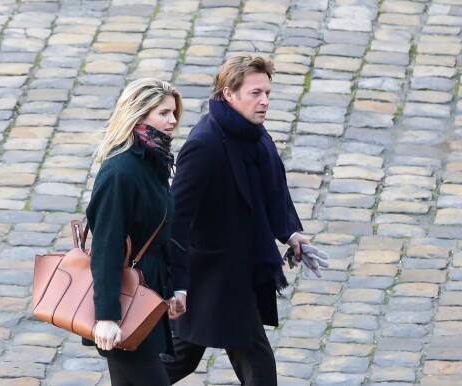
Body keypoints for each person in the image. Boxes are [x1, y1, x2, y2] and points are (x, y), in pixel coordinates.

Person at [163, 54, 310, 385]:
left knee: (182, 360)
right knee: (250, 367)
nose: (264, 101)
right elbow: (176, 217)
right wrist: (177, 283)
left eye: (268, 93)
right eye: (255, 93)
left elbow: (269, 190)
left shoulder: (252, 134)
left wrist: (290, 234)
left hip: (237, 274)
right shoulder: (206, 144)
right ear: (229, 94)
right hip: (209, 279)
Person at [85, 78, 186, 386]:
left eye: (173, 113)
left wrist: (174, 290)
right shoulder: (121, 172)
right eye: (163, 113)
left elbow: (160, 234)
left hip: (146, 296)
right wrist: (106, 316)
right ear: (139, 115)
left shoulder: (154, 162)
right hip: (128, 303)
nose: (173, 121)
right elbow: (107, 245)